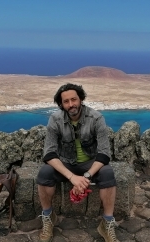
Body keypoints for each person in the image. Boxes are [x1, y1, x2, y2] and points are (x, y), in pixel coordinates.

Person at [36, 83, 119, 242]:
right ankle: (48, 216)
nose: (71, 104)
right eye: (66, 101)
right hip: (66, 163)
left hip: (90, 163)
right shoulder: (55, 119)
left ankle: (106, 223)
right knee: (45, 172)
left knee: (108, 173)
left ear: (81, 99)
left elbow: (104, 153)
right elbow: (49, 153)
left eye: (74, 99)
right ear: (62, 104)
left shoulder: (96, 118)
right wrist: (72, 177)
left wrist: (86, 176)